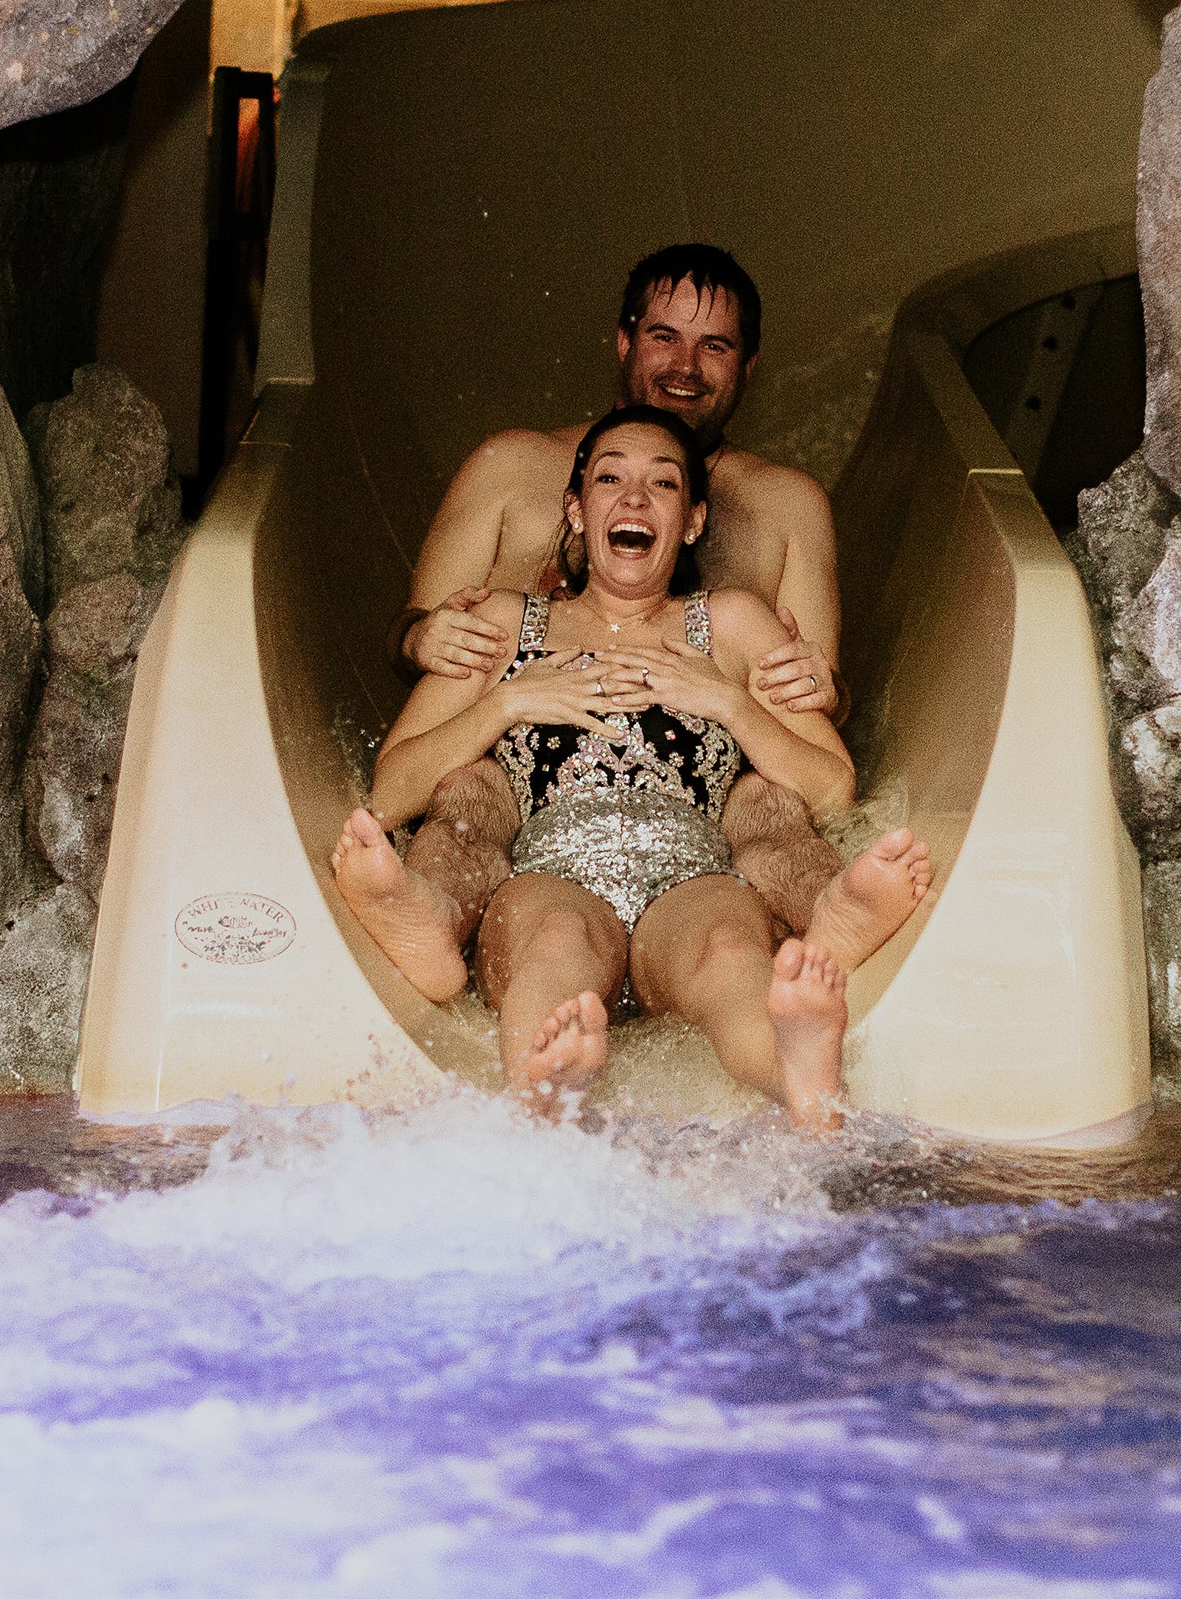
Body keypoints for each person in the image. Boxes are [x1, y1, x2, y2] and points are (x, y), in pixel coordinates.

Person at [356, 245, 929, 1007]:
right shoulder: (510, 467)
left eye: (714, 345)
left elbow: (817, 720)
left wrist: (822, 687)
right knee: (469, 788)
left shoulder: (786, 506)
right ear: (624, 342)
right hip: (521, 775)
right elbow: (422, 662)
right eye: (664, 336)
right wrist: (419, 638)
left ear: (747, 367)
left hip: (708, 799)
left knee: (768, 799)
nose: (685, 366)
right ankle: (435, 912)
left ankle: (823, 912)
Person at [333, 408, 868, 1125]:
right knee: (554, 943)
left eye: (664, 484)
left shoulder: (733, 623)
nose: (635, 499)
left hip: (694, 874)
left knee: (730, 949)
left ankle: (794, 1075)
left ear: (695, 520)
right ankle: (548, 1085)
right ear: (576, 509)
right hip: (552, 870)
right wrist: (506, 704)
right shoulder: (501, 622)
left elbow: (832, 787)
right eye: (609, 477)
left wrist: (731, 703)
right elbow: (393, 791)